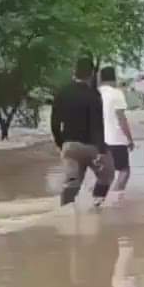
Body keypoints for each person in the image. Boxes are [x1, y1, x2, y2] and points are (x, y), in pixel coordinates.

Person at [51, 57, 115, 208]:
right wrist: (101, 150)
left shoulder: (62, 93)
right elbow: (98, 125)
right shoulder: (93, 95)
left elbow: (54, 123)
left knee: (72, 183)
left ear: (74, 71)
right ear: (92, 74)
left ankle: (64, 211)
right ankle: (96, 204)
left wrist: (61, 143)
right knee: (107, 174)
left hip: (70, 146)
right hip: (91, 147)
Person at [98, 66, 136, 201]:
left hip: (97, 141)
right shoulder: (116, 93)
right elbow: (121, 119)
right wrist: (130, 139)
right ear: (113, 78)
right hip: (115, 139)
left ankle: (99, 198)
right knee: (124, 170)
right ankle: (115, 197)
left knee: (104, 172)